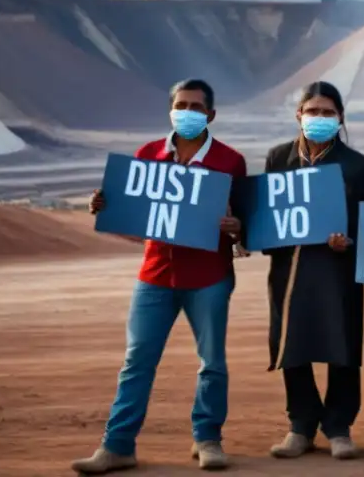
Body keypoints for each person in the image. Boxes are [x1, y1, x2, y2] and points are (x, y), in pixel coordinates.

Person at [72, 79, 248, 474]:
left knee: (212, 362)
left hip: (209, 276)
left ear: (211, 115)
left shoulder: (230, 161)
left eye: (196, 106)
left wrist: (236, 225)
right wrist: (102, 204)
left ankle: (208, 439)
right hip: (155, 275)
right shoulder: (147, 154)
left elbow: (245, 219)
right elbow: (131, 212)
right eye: (181, 104)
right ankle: (117, 446)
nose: (187, 111)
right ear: (170, 110)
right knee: (137, 361)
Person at [264, 81, 364, 461]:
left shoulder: (356, 165)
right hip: (290, 269)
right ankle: (302, 425)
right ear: (299, 115)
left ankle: (339, 426)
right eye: (313, 112)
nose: (319, 118)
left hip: (338, 269)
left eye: (327, 113)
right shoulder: (278, 158)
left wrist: (351, 241)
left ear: (340, 117)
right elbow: (267, 214)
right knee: (292, 343)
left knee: (341, 345)